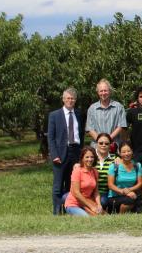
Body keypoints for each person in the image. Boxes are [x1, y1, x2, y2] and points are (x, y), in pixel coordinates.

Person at [48, 87, 84, 215]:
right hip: (60, 153)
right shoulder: (54, 115)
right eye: (68, 98)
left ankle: (69, 208)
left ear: (75, 100)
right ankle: (57, 211)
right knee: (58, 185)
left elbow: (81, 135)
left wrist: (81, 154)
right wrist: (54, 154)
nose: (70, 100)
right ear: (63, 99)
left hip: (75, 152)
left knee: (72, 183)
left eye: (72, 98)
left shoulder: (79, 114)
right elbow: (51, 138)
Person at [86, 79, 127, 147]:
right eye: (101, 91)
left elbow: (121, 126)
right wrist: (101, 142)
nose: (103, 93)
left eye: (105, 90)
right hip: (96, 146)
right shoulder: (92, 108)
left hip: (114, 145)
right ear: (98, 92)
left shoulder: (119, 107)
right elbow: (90, 128)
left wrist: (108, 140)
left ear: (110, 91)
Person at [64, 147, 103, 216]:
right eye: (87, 157)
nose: (90, 159)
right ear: (82, 158)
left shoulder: (95, 171)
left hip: (87, 201)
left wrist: (99, 204)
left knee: (102, 215)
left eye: (92, 157)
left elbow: (96, 192)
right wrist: (91, 207)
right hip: (74, 203)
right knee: (87, 218)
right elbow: (76, 193)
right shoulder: (77, 171)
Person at [106, 143, 142, 214]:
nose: (126, 154)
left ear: (132, 151)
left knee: (132, 200)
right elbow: (110, 185)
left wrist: (129, 190)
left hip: (132, 195)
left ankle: (121, 212)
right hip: (115, 196)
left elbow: (140, 183)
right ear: (119, 153)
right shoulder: (114, 166)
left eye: (128, 151)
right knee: (130, 201)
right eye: (123, 152)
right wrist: (123, 191)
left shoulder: (137, 165)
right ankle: (120, 215)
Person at [93, 133, 117, 208]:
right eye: (101, 143)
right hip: (90, 191)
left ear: (110, 145)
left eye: (106, 143)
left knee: (103, 201)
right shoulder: (90, 157)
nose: (103, 145)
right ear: (96, 144)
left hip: (106, 192)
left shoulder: (115, 159)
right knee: (65, 197)